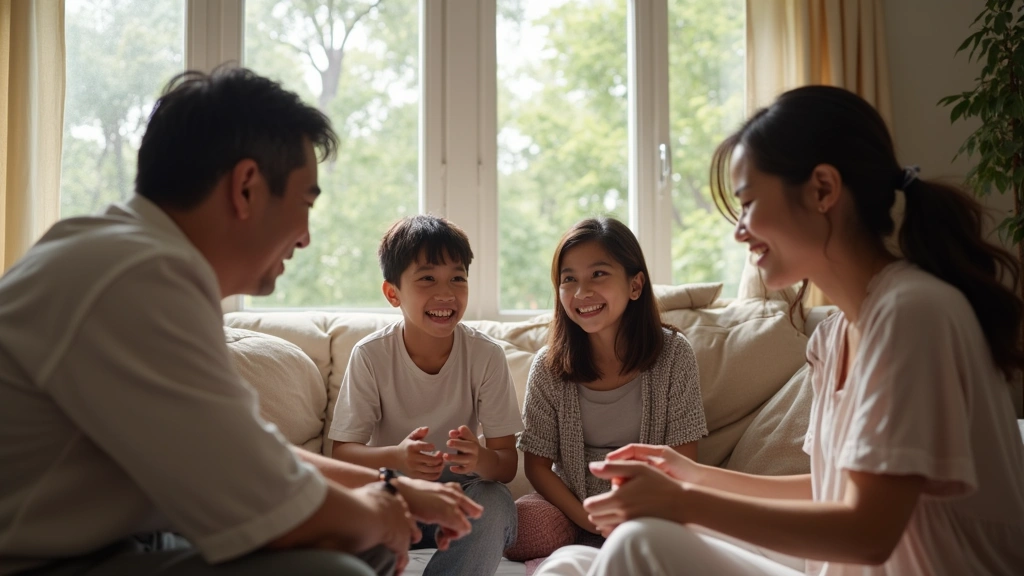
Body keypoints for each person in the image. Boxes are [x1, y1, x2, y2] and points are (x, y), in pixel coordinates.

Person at [0, 67, 483, 576]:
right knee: (339, 564)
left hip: (121, 541)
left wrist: (391, 489)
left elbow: (249, 457)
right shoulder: (135, 278)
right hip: (37, 562)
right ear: (247, 187)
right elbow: (268, 503)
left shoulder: (126, 254)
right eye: (304, 203)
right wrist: (380, 511)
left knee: (364, 538)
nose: (305, 238)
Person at [535, 86, 1024, 576]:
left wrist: (683, 503)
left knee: (640, 543)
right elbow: (828, 488)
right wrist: (689, 475)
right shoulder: (834, 336)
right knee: (569, 562)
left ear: (823, 190)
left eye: (747, 203)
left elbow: (870, 533)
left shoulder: (914, 314)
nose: (739, 230)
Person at [328, 214, 524, 576]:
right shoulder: (371, 355)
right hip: (396, 499)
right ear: (393, 293)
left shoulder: (486, 355)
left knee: (495, 501)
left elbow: (506, 463)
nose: (446, 294)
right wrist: (397, 458)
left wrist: (480, 457)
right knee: (344, 511)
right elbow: (342, 455)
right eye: (427, 278)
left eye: (457, 278)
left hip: (460, 505)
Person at [506, 216, 707, 562]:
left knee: (672, 536)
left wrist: (632, 509)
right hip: (569, 500)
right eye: (569, 279)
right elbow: (537, 466)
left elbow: (682, 458)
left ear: (635, 285)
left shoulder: (674, 354)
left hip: (648, 499)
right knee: (524, 531)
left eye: (598, 274)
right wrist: (587, 517)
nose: (582, 292)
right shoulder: (548, 365)